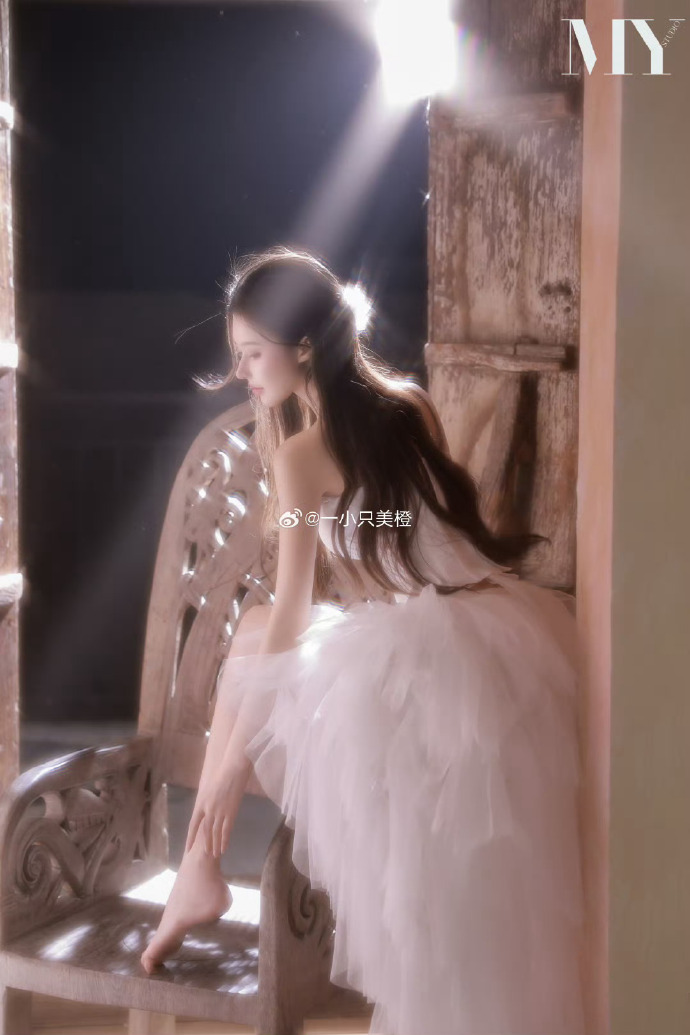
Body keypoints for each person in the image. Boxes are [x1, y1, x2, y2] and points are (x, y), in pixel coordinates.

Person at [140, 245, 587, 1035]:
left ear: (304, 347)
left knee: (262, 631)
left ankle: (197, 867)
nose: (243, 373)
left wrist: (230, 764)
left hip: (437, 663)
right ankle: (199, 870)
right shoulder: (407, 406)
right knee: (256, 632)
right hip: (490, 636)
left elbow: (294, 605)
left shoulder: (302, 454)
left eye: (253, 354)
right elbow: (404, 548)